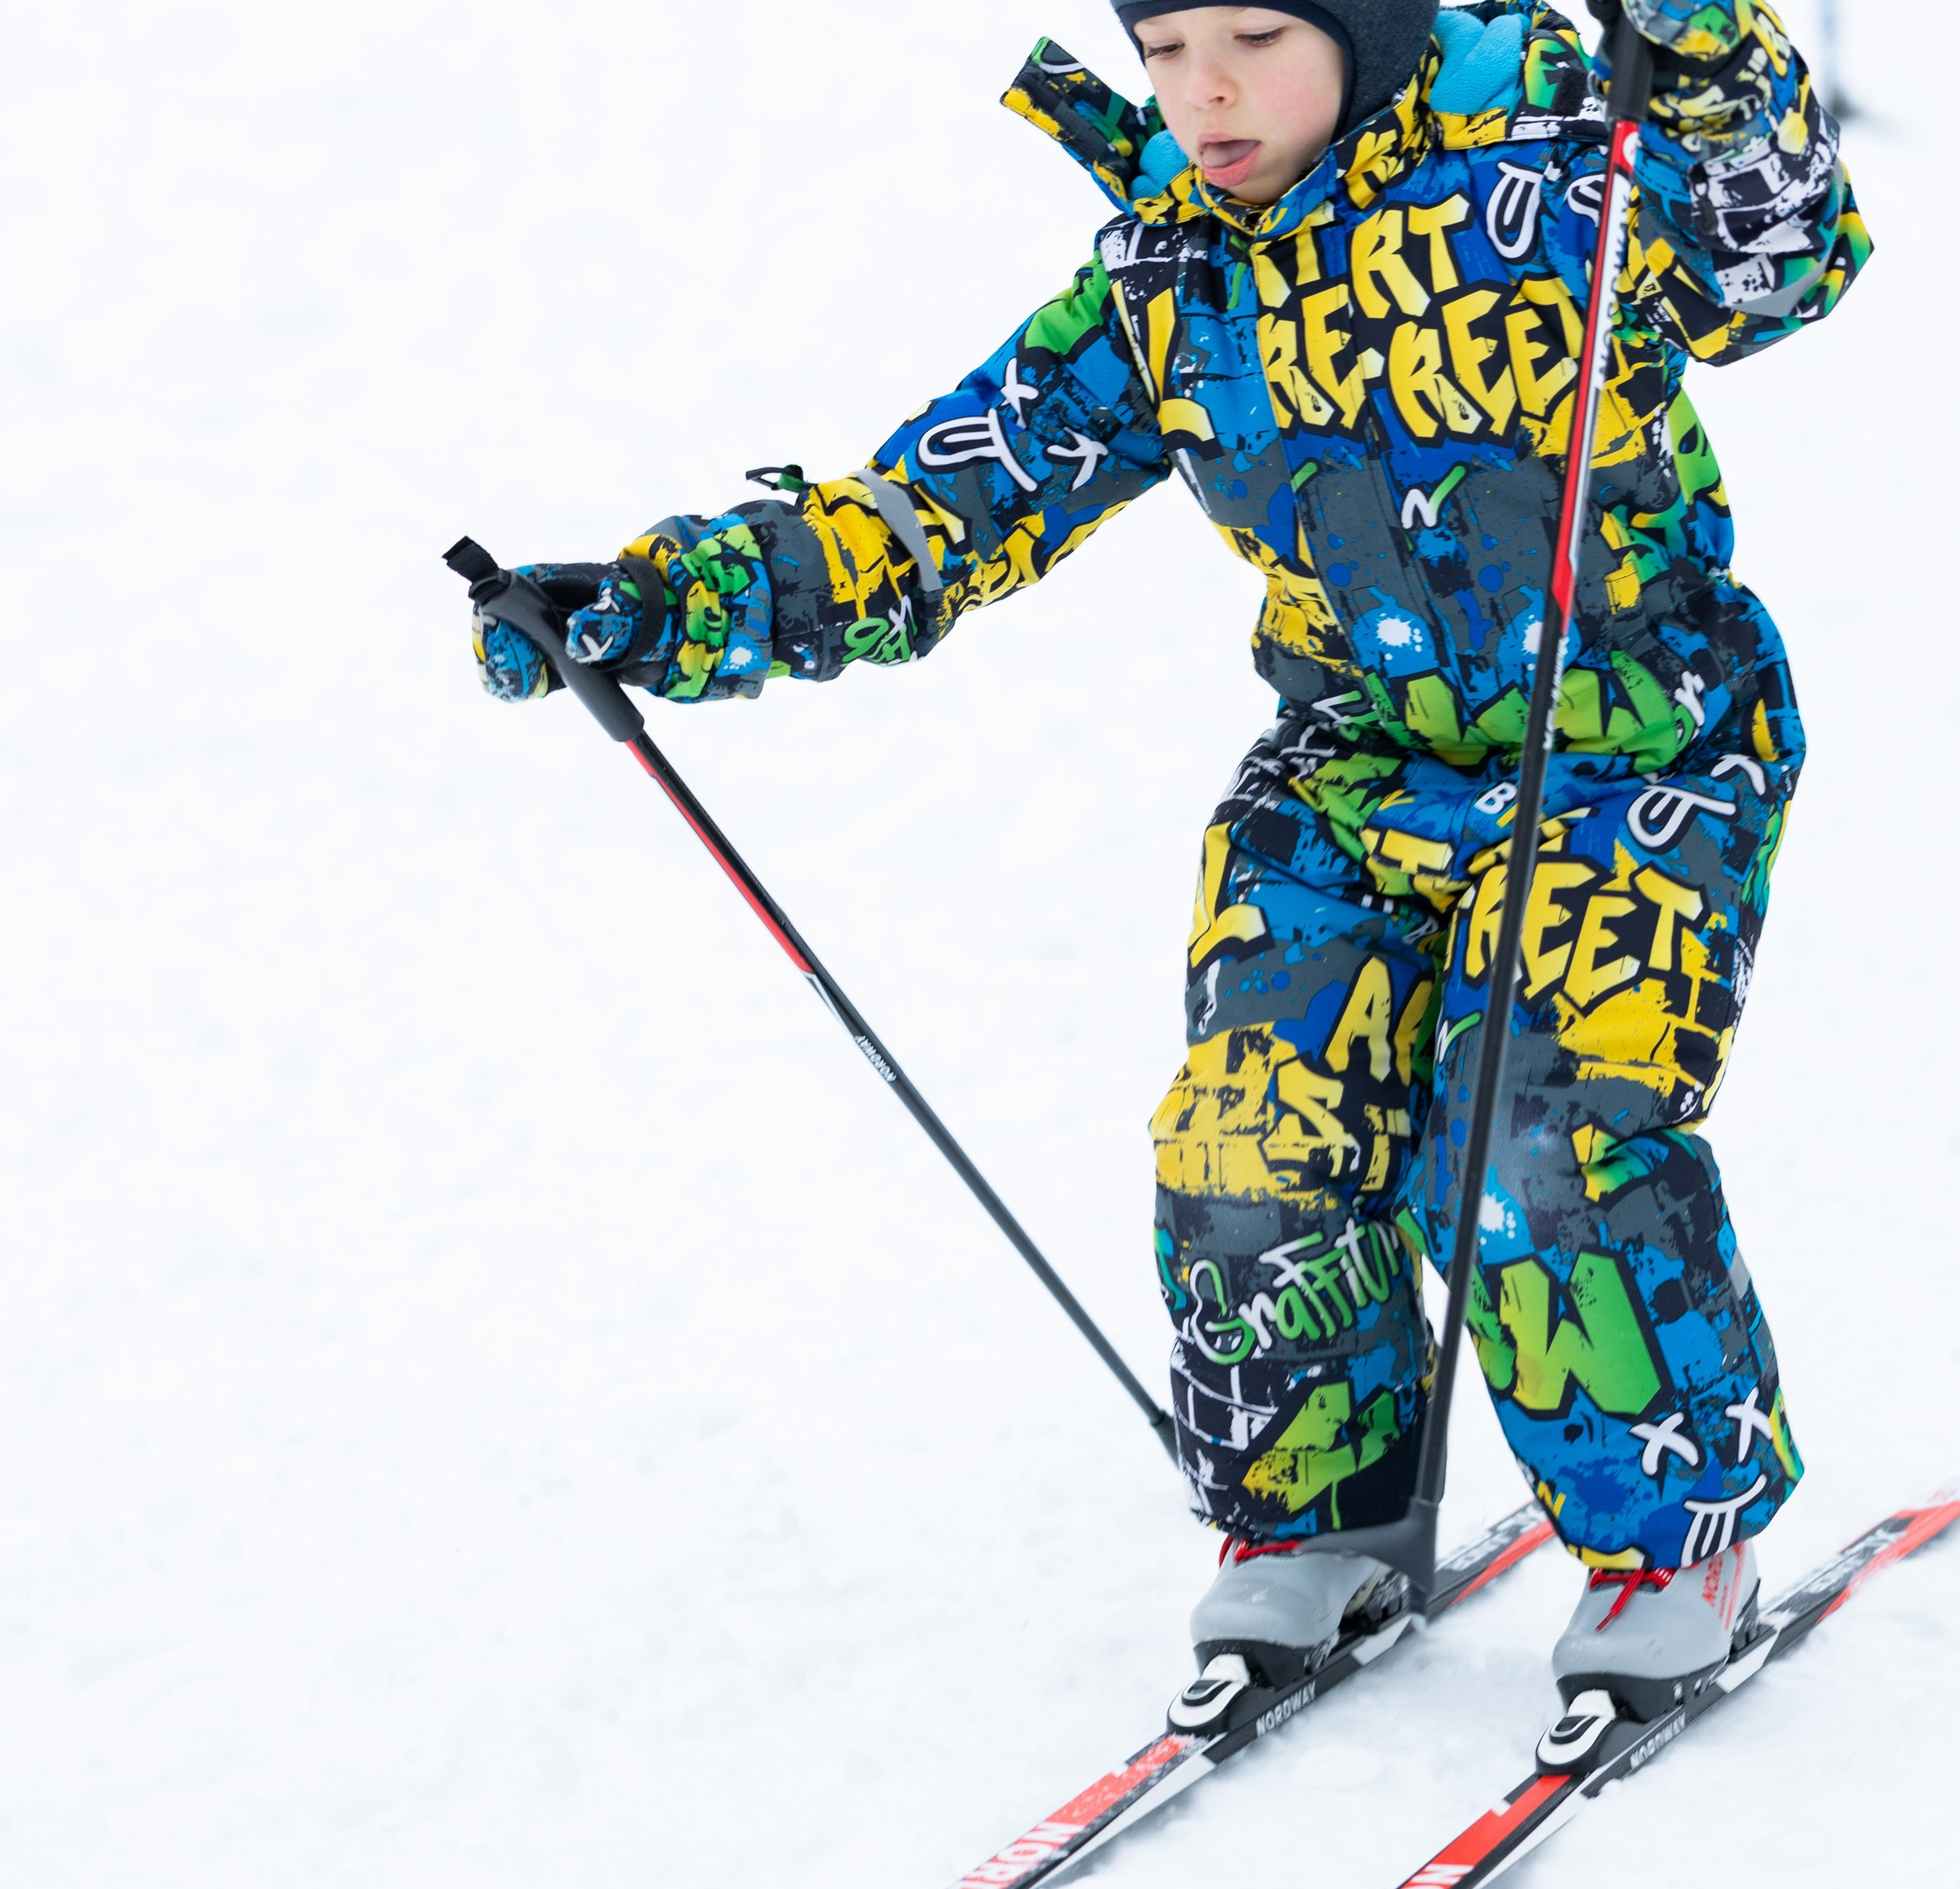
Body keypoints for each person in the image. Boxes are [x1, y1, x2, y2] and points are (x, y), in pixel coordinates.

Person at [472, 1, 1864, 1723]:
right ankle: (1323, 1507)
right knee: (1247, 1133)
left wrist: (1707, 55)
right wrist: (659, 603)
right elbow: (937, 509)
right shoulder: (1172, 275)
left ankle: (1675, 1541)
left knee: (1530, 1139)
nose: (1204, 90)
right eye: (1164, 46)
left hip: (1628, 754)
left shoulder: (1565, 166)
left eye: (1258, 34)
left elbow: (1772, 259)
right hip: (1351, 763)